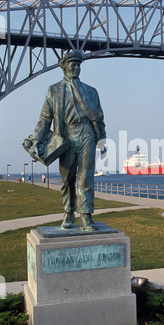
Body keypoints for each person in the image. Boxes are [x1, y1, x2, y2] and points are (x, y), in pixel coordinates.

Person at [27, 50, 106, 231]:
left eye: (78, 65)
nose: (76, 68)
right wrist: (37, 140)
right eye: (73, 64)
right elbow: (45, 119)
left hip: (87, 134)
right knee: (67, 178)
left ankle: (86, 216)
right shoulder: (54, 91)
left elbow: (99, 118)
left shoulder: (91, 92)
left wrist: (102, 141)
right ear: (64, 67)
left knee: (86, 178)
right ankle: (69, 212)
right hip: (67, 137)